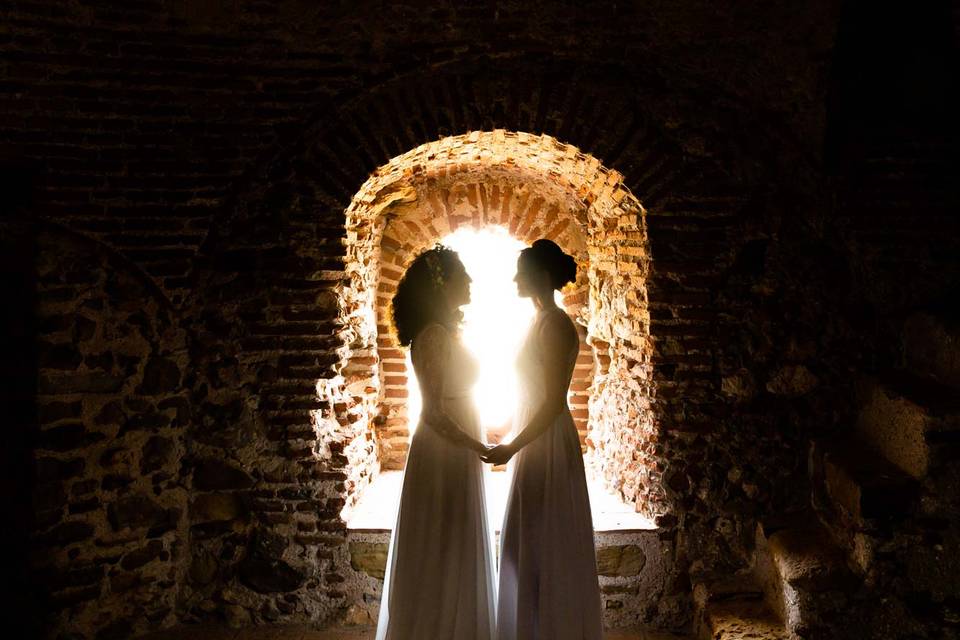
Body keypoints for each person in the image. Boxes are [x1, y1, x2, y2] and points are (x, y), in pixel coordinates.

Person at [483, 239, 603, 640]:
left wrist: (511, 447)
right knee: (526, 544)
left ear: (543, 277)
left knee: (548, 546)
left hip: (547, 442)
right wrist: (507, 427)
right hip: (531, 438)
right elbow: (530, 391)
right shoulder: (538, 320)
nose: (516, 278)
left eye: (523, 272)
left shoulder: (556, 324)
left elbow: (552, 403)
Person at [375, 245, 497, 640]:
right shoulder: (433, 336)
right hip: (445, 451)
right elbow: (432, 411)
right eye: (463, 276)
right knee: (440, 543)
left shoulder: (445, 333)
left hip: (457, 447)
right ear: (442, 286)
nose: (471, 282)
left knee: (454, 542)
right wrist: (475, 445)